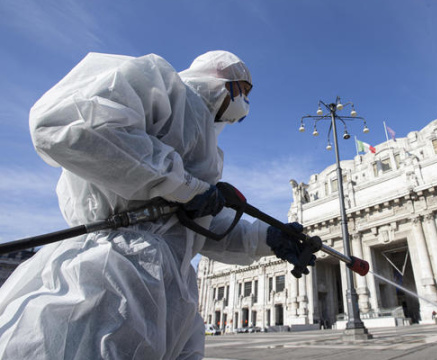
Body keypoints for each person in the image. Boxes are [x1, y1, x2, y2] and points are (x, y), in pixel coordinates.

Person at [0, 51, 310, 359]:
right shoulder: (161, 85)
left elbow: (194, 226)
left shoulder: (209, 149)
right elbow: (69, 126)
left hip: (174, 296)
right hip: (114, 270)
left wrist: (266, 237)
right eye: (244, 91)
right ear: (223, 78)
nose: (245, 103)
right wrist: (186, 187)